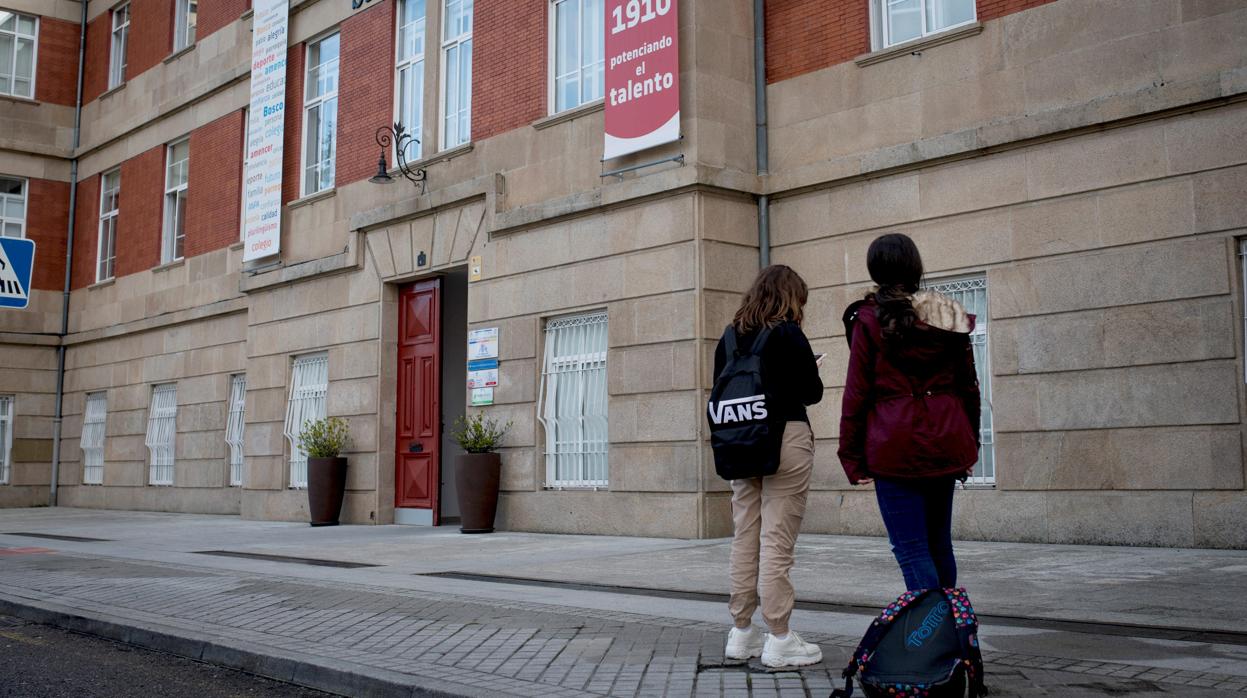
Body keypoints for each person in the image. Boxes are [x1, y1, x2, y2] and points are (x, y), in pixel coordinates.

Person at [838, 233, 981, 592]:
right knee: (939, 544)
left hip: (893, 446)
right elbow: (969, 389)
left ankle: (932, 638)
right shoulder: (947, 316)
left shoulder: (869, 319)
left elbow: (856, 394)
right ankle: (949, 632)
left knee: (912, 548)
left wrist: (851, 458)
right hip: (946, 440)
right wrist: (970, 445)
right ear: (915, 267)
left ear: (875, 269)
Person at [713, 264, 825, 669]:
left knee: (745, 534)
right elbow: (812, 393)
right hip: (786, 439)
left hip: (742, 443)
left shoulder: (728, 337)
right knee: (777, 539)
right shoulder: (789, 333)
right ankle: (779, 637)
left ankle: (741, 632)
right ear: (791, 298)